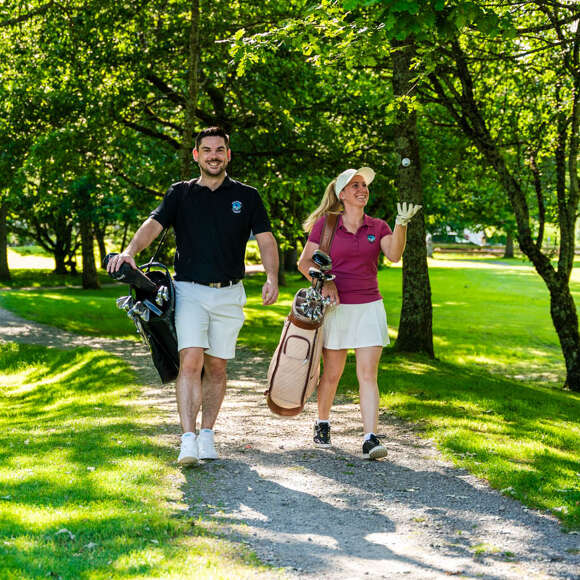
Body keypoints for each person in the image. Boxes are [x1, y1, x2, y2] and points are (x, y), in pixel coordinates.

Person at [107, 126, 279, 466]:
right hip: (188, 292)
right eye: (207, 150)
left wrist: (272, 275)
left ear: (228, 155)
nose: (214, 155)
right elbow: (153, 224)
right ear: (196, 155)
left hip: (230, 294)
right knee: (190, 361)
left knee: (216, 367)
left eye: (220, 150)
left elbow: (266, 239)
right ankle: (187, 440)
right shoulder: (179, 194)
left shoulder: (247, 196)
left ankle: (207, 435)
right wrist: (129, 251)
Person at [297, 167, 421, 460]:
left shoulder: (378, 226)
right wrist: (326, 282)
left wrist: (401, 225)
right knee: (333, 374)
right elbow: (305, 263)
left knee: (368, 375)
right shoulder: (326, 225)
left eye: (364, 185)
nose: (362, 189)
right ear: (342, 194)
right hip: (336, 309)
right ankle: (323, 423)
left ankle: (369, 437)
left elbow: (394, 254)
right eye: (355, 185)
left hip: (369, 307)